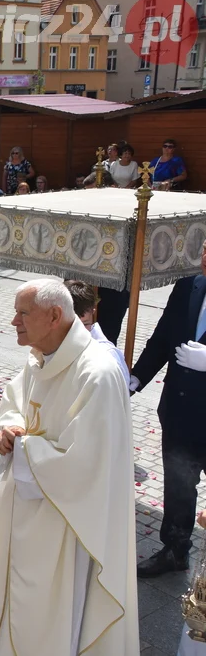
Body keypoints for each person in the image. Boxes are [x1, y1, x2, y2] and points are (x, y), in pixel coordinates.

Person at [0, 279, 138, 655]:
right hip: (27, 508)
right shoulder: (40, 354)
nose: (14, 321)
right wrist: (8, 429)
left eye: (23, 313)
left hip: (66, 524)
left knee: (54, 621)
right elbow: (16, 401)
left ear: (54, 316)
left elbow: (84, 466)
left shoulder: (96, 373)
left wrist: (24, 448)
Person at [130, 238, 206, 577]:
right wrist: (135, 380)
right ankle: (175, 549)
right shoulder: (189, 286)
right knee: (178, 485)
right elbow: (162, 339)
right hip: (180, 411)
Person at [63, 281, 128, 382]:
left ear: (93, 312)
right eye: (71, 326)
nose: (79, 332)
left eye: (85, 324)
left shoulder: (108, 358)